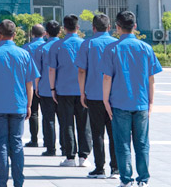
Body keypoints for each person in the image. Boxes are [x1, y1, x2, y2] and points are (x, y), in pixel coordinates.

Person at [100, 11, 162, 187]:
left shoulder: (112, 49)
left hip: (119, 102)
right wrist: (151, 102)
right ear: (135, 26)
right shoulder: (146, 48)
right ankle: (143, 179)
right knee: (142, 143)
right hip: (141, 102)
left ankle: (126, 179)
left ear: (117, 27)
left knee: (122, 143)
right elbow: (151, 78)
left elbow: (107, 78)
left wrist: (105, 100)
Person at [0, 19, 39, 187]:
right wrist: (29, 105)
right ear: (15, 34)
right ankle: (18, 182)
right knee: (17, 144)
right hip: (18, 104)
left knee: (0, 145)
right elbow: (30, 83)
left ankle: (1, 182)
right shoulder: (24, 54)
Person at [75, 13, 119, 179]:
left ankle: (100, 168)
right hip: (114, 95)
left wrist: (82, 92)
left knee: (97, 132)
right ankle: (116, 168)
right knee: (114, 133)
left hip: (94, 94)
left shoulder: (88, 44)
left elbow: (81, 70)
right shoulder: (116, 44)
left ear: (93, 28)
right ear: (109, 27)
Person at [49, 14, 92, 167]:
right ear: (77, 27)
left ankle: (70, 157)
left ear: (63, 28)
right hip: (82, 90)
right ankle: (84, 157)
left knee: (66, 123)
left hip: (63, 90)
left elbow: (52, 70)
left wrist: (52, 89)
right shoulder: (85, 44)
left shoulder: (57, 46)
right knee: (84, 123)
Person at [35, 20, 61, 156]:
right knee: (64, 120)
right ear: (60, 32)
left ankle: (50, 148)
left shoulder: (42, 48)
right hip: (62, 88)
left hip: (45, 88)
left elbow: (37, 71)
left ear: (46, 33)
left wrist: (36, 87)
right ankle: (66, 147)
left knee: (48, 119)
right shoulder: (62, 46)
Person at [22, 24, 45, 148]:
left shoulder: (26, 48)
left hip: (30, 85)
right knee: (48, 115)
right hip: (46, 86)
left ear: (32, 34)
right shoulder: (47, 47)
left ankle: (34, 139)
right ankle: (49, 141)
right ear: (44, 33)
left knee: (33, 112)